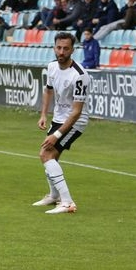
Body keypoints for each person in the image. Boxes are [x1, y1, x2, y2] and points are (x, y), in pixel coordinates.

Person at [32, 32, 90, 214]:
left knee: (45, 154)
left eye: (66, 48)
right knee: (51, 157)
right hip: (58, 118)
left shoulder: (80, 76)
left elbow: (77, 111)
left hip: (75, 122)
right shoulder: (51, 67)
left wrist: (56, 135)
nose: (61, 52)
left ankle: (67, 202)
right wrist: (43, 115)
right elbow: (48, 90)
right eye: (59, 48)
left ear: (73, 50)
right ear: (54, 48)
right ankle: (54, 195)